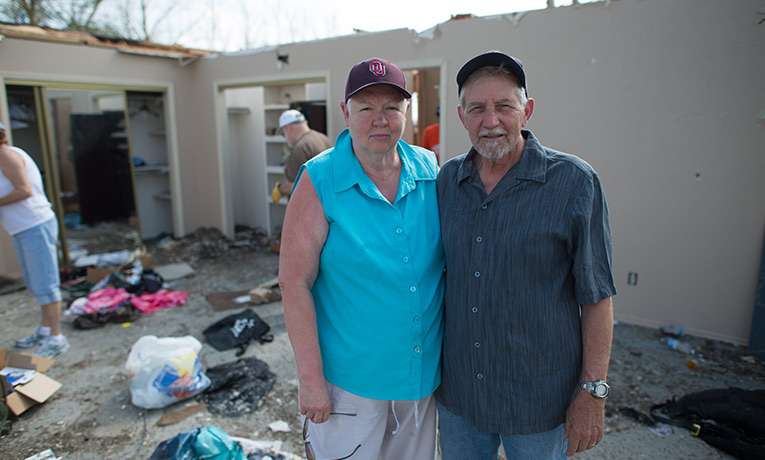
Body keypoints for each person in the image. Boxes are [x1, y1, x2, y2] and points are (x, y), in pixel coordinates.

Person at [436, 51, 617, 459]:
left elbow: (598, 296)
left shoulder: (574, 183)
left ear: (527, 111)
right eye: (477, 108)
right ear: (462, 116)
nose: (491, 120)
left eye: (504, 106)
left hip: (538, 401)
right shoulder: (447, 181)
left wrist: (593, 392)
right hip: (460, 398)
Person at [279, 57, 444, 460]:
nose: (379, 119)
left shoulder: (430, 168)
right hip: (350, 386)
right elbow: (293, 281)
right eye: (366, 108)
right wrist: (311, 379)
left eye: (391, 107)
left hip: (419, 382)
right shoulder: (319, 178)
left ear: (407, 110)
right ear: (345, 113)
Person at [0, 120, 69, 358]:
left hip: (35, 225)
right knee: (35, 282)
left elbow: (24, 190)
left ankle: (57, 338)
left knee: (46, 282)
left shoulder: (6, 155)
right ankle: (45, 329)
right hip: (21, 229)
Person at [271, 109, 333, 203]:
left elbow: (298, 187)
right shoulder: (323, 138)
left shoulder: (300, 149)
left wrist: (281, 189)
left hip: (313, 209)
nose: (285, 138)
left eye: (283, 134)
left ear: (288, 128)